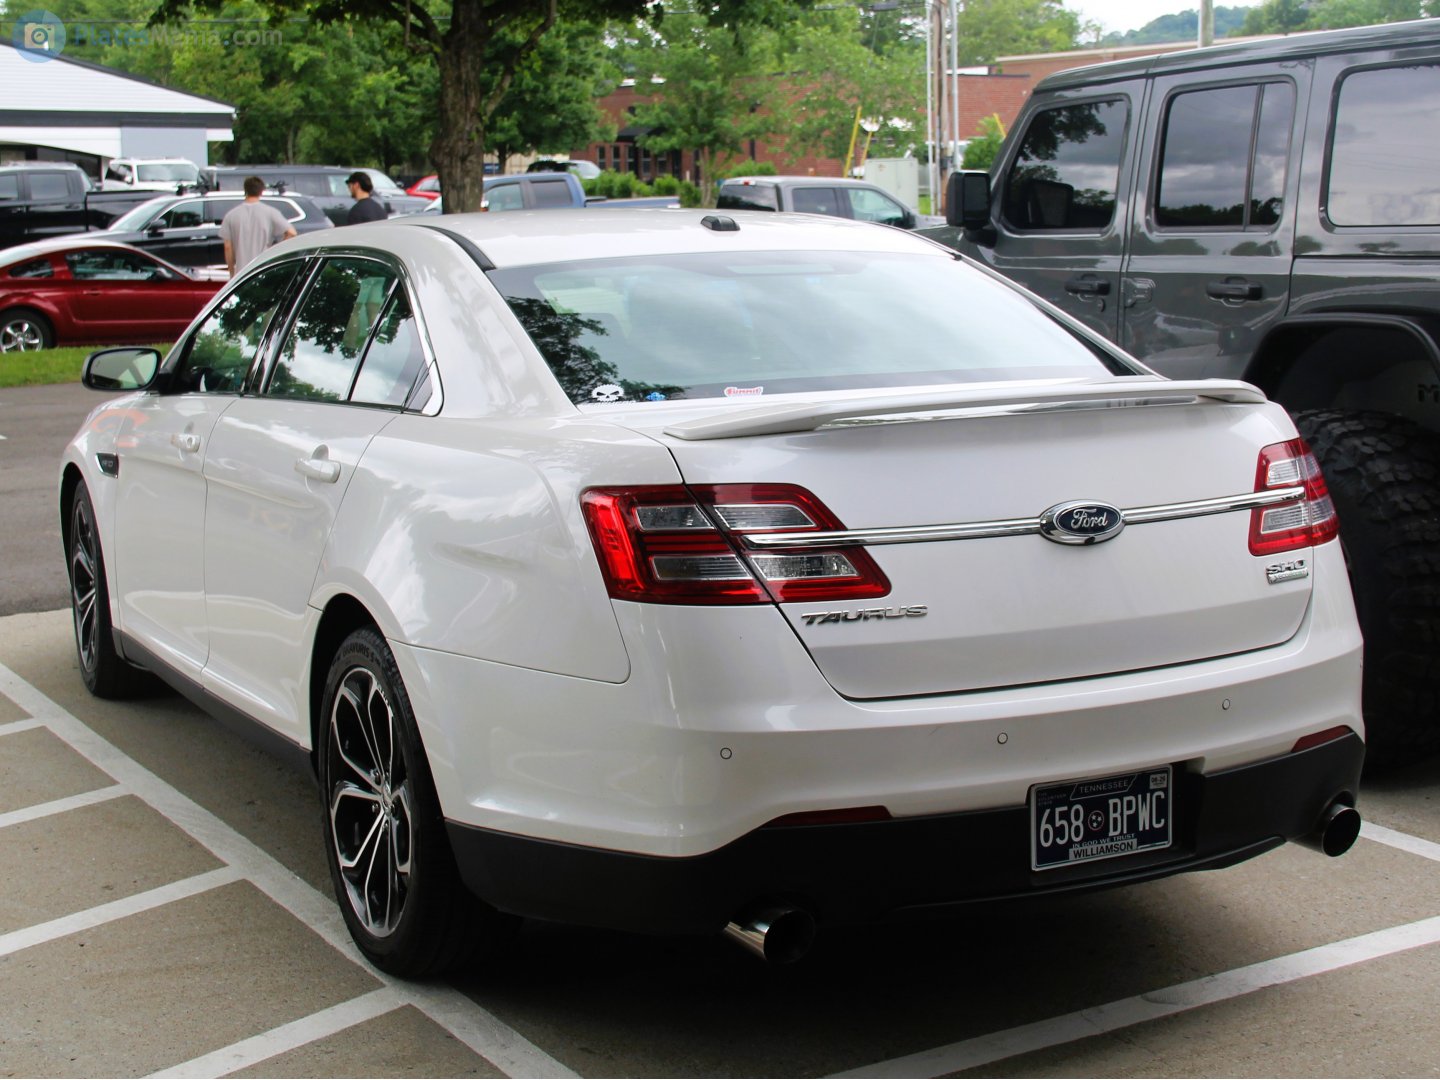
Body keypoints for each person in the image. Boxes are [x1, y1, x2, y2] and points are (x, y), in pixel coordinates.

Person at [218, 176, 296, 278]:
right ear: (261, 191)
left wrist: (232, 272)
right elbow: (292, 233)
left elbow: (228, 247)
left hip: (241, 273)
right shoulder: (270, 212)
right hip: (263, 269)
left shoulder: (231, 215)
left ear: (245, 190)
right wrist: (274, 251)